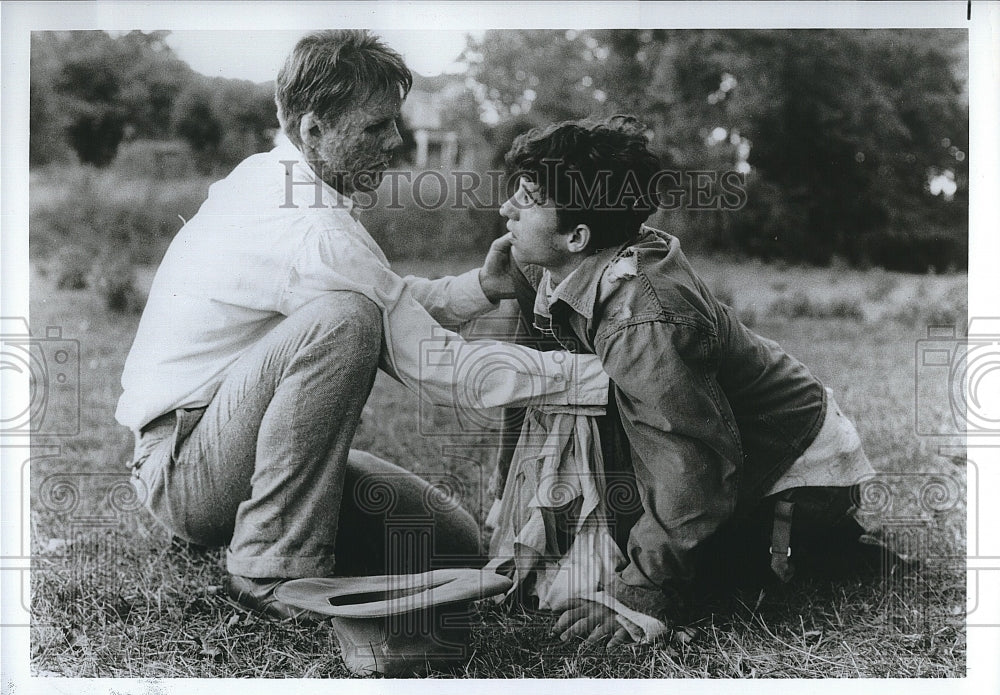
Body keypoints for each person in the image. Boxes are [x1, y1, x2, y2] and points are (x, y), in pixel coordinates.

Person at [115, 30, 609, 621]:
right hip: (186, 469)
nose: (395, 141)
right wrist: (604, 375)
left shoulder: (280, 177)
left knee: (451, 543)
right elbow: (436, 365)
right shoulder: (312, 231)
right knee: (345, 321)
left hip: (219, 453)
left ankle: (257, 523)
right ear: (314, 129)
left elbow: (386, 296)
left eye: (392, 123)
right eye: (374, 127)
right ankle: (271, 568)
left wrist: (480, 289)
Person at [487, 115, 900, 647]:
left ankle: (829, 546)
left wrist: (644, 592)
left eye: (526, 197)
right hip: (733, 449)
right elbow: (534, 382)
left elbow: (691, 463)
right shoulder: (557, 266)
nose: (506, 210)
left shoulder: (642, 318)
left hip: (793, 468)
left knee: (718, 585)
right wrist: (505, 495)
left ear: (577, 235)